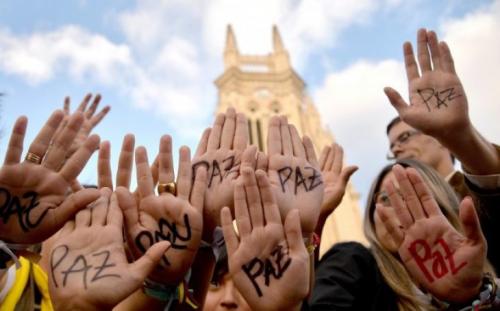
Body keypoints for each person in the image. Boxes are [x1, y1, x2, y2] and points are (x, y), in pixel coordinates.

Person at [384, 28, 500, 273]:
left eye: (405, 136)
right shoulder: (403, 218)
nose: (397, 148)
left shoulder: (475, 190)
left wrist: (459, 135)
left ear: (437, 138)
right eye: (392, 147)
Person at [310, 159, 495, 310]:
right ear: (372, 216)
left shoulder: (484, 271)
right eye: (386, 199)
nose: (401, 210)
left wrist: (469, 296)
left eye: (413, 196)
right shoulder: (353, 261)